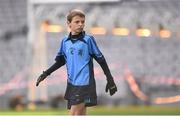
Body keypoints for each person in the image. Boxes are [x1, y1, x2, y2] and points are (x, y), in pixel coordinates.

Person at [36, 9, 117, 115]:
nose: (81, 24)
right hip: (72, 84)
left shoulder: (88, 40)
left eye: (83, 22)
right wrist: (46, 73)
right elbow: (60, 61)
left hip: (85, 84)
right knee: (81, 114)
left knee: (74, 114)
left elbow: (101, 60)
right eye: (77, 22)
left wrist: (110, 79)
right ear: (69, 23)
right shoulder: (65, 42)